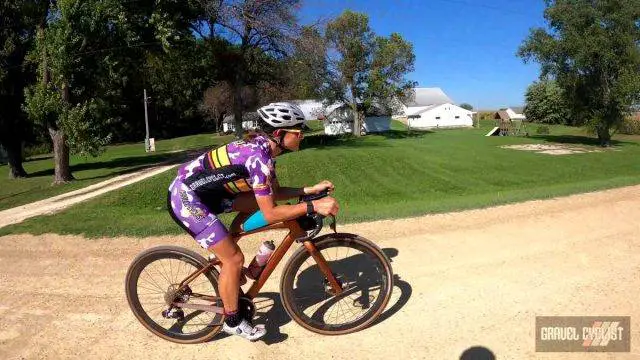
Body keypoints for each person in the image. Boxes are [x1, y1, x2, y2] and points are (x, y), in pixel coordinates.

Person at [166, 102, 340, 341]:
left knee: (259, 216)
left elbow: (272, 192)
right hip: (187, 198)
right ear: (279, 135)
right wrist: (313, 205)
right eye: (298, 132)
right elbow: (269, 213)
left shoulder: (265, 151)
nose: (302, 136)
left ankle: (226, 252)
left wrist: (309, 190)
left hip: (212, 194)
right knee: (234, 258)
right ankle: (232, 320)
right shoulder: (259, 159)